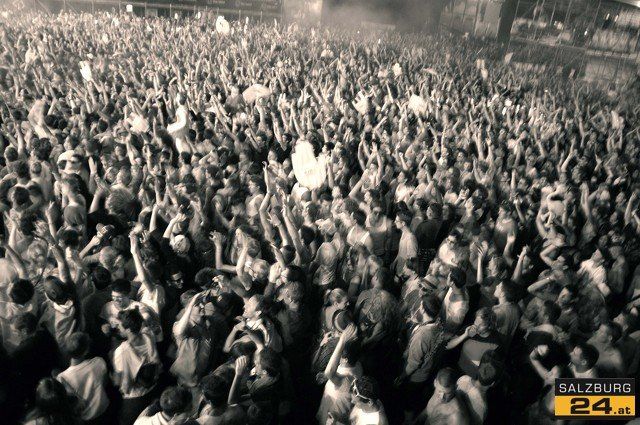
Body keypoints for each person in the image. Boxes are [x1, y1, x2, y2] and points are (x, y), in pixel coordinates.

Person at [56, 332, 110, 424]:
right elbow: (105, 383)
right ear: (86, 351)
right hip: (105, 408)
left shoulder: (62, 378)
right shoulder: (99, 362)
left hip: (86, 418)